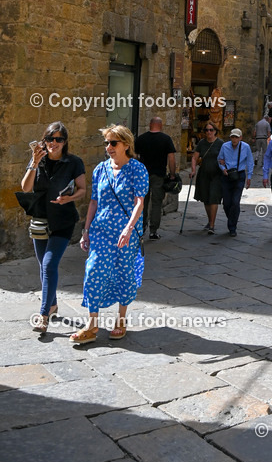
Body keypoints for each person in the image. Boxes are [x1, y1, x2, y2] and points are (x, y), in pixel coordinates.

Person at [71, 124, 147, 343]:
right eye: (107, 143)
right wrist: (86, 231)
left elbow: (139, 202)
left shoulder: (137, 169)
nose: (109, 147)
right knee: (93, 270)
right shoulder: (100, 170)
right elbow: (94, 202)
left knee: (124, 273)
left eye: (113, 143)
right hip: (101, 231)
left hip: (127, 233)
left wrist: (129, 228)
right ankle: (92, 325)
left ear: (126, 145)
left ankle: (121, 320)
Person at [21, 122, 86, 334]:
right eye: (50, 139)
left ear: (65, 142)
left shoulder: (73, 162)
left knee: (49, 264)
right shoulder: (36, 160)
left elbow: (83, 190)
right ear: (44, 141)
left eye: (58, 139)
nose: (54, 143)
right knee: (44, 266)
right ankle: (54, 304)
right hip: (40, 220)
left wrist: (69, 198)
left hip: (63, 220)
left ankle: (43, 315)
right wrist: (34, 163)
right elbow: (26, 187)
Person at [135, 117, 176, 240]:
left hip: (143, 175)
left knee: (142, 202)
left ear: (150, 125)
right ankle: (153, 230)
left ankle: (141, 228)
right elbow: (171, 159)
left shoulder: (141, 139)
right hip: (159, 174)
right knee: (157, 202)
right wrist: (172, 174)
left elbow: (134, 156)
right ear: (161, 125)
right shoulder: (166, 139)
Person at [217, 128, 253, 236]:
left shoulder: (245, 147)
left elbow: (250, 162)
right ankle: (232, 219)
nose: (234, 139)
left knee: (235, 202)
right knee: (226, 203)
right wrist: (223, 168)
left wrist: (249, 177)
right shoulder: (225, 146)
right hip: (227, 175)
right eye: (233, 137)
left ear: (240, 138)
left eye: (236, 137)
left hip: (239, 175)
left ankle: (232, 227)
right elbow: (220, 159)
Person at [191, 121, 224, 234]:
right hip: (204, 174)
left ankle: (212, 225)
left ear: (215, 131)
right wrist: (193, 170)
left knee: (213, 198)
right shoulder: (202, 143)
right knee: (206, 198)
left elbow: (225, 156)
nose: (209, 132)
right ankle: (210, 221)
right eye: (206, 130)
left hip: (216, 174)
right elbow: (195, 158)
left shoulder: (220, 143)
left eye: (211, 130)